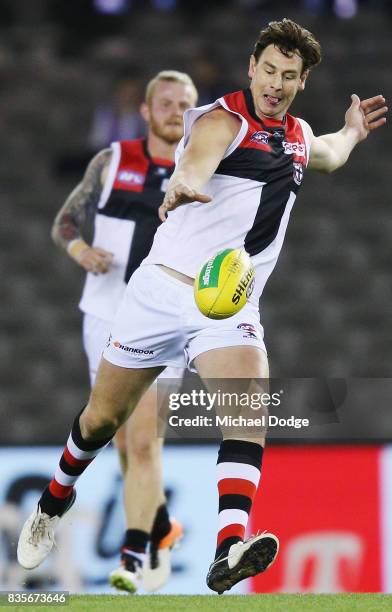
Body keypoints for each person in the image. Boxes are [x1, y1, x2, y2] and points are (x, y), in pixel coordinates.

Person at [17, 18, 387, 594]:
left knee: (248, 412)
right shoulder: (223, 120)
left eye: (289, 76)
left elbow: (330, 155)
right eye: (268, 71)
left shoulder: (294, 133)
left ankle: (230, 545)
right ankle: (53, 499)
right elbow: (198, 160)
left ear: (301, 81)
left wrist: (353, 132)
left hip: (226, 303)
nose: (275, 83)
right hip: (162, 290)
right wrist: (182, 182)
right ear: (251, 69)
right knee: (101, 420)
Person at [48, 70, 198, 594]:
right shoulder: (113, 161)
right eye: (166, 101)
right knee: (111, 431)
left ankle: (134, 556)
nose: (176, 109)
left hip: (164, 319)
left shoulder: (204, 168)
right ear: (146, 109)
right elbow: (64, 223)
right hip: (106, 315)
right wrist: (81, 251)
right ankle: (162, 527)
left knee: (143, 441)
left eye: (185, 102)